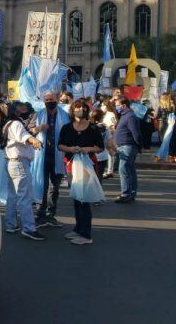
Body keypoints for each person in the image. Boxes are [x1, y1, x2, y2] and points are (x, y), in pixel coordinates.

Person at [58, 102, 105, 245]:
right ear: (72, 111)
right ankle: (78, 228)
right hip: (71, 164)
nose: (81, 110)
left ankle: (86, 234)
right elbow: (60, 145)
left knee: (84, 199)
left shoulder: (92, 128)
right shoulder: (66, 127)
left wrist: (88, 149)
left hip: (87, 165)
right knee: (76, 197)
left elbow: (100, 147)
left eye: (84, 108)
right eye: (78, 108)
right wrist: (70, 149)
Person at [3, 102, 45, 241]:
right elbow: (24, 137)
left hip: (11, 162)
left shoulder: (9, 123)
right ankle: (29, 228)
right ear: (15, 110)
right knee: (25, 196)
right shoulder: (16, 124)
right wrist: (35, 141)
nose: (25, 110)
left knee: (13, 195)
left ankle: (11, 224)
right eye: (22, 108)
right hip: (19, 162)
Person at [28, 91, 69, 228]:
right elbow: (29, 131)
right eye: (46, 99)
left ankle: (51, 214)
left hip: (58, 155)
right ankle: (41, 214)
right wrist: (39, 128)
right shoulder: (38, 114)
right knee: (42, 185)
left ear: (57, 99)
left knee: (55, 187)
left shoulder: (64, 115)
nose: (49, 101)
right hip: (42, 155)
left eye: (51, 99)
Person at [114, 97, 142, 203]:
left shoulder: (130, 116)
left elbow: (136, 133)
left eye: (117, 105)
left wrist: (139, 146)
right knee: (129, 170)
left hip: (128, 146)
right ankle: (131, 193)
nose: (116, 107)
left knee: (124, 169)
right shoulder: (125, 115)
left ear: (124, 105)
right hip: (124, 146)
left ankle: (126, 193)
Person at [155, 93, 176, 162]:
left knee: (164, 140)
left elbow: (157, 116)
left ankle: (162, 156)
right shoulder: (175, 106)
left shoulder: (161, 106)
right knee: (173, 140)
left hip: (163, 125)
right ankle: (172, 156)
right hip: (173, 125)